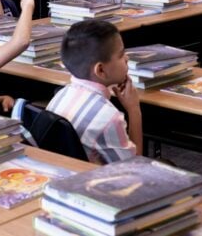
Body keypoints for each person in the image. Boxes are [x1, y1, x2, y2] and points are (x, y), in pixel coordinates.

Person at [46, 19, 141, 164]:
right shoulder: (109, 118)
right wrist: (134, 110)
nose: (127, 58)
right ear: (101, 70)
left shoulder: (60, 96)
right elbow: (134, 167)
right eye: (121, 55)